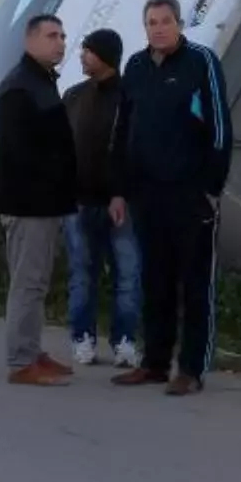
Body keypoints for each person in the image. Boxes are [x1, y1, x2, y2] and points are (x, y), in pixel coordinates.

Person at [109, 0, 232, 396]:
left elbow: (219, 130)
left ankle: (192, 368)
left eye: (165, 21)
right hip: (147, 194)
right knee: (155, 281)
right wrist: (119, 189)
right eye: (151, 22)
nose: (158, 28)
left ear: (179, 23)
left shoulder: (201, 62)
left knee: (195, 284)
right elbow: (122, 129)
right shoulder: (136, 66)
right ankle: (155, 363)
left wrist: (212, 188)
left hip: (190, 194)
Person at [0, 14, 78, 387]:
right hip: (29, 203)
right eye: (51, 35)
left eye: (61, 35)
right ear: (30, 40)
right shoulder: (18, 87)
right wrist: (53, 179)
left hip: (46, 201)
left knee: (37, 282)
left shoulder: (41, 81)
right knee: (27, 283)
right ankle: (21, 361)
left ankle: (32, 350)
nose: (60, 42)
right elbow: (19, 152)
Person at [61, 28, 141, 368]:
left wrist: (121, 191)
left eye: (88, 51)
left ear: (106, 55)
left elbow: (134, 149)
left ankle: (124, 340)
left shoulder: (130, 97)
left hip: (121, 203)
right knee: (82, 273)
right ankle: (82, 337)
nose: (81, 55)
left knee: (128, 272)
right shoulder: (74, 96)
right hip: (78, 202)